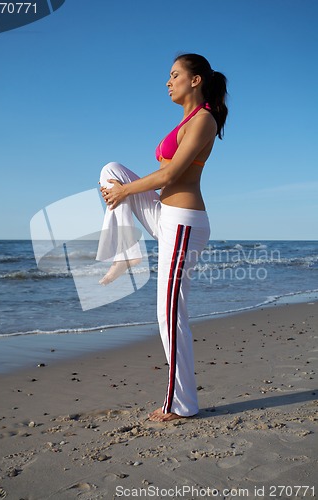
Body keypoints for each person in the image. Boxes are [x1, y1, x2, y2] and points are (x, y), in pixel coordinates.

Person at [96, 53, 228, 422]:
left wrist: (126, 194)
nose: (168, 82)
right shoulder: (184, 120)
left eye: (174, 75)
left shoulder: (203, 120)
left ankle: (181, 404)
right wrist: (124, 191)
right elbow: (157, 177)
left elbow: (170, 176)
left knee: (169, 313)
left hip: (184, 223)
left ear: (196, 80)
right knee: (112, 170)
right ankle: (125, 253)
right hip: (164, 215)